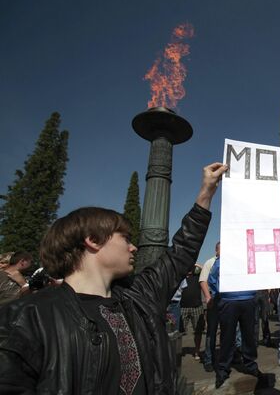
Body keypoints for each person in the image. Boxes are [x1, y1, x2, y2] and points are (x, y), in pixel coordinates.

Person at [0, 162, 227, 394]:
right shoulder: (25, 318)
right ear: (93, 240)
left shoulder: (141, 294)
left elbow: (181, 252)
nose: (134, 247)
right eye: (125, 238)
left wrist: (206, 193)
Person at [207, 246, 263, 389]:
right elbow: (212, 278)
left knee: (249, 335)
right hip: (230, 301)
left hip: (246, 299)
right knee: (227, 336)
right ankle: (224, 369)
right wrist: (219, 294)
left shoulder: (250, 256)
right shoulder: (222, 260)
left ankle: (249, 365)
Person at [199, 241, 219, 372]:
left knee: (230, 331)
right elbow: (203, 280)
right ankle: (208, 359)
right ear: (216, 250)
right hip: (214, 301)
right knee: (211, 331)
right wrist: (208, 297)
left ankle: (229, 355)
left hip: (228, 302)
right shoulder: (210, 262)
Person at [180, 265, 204, 360]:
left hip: (197, 307)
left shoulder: (198, 277)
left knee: (198, 331)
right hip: (182, 307)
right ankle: (177, 351)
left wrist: (195, 263)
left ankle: (197, 351)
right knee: (179, 332)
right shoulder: (180, 277)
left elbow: (205, 269)